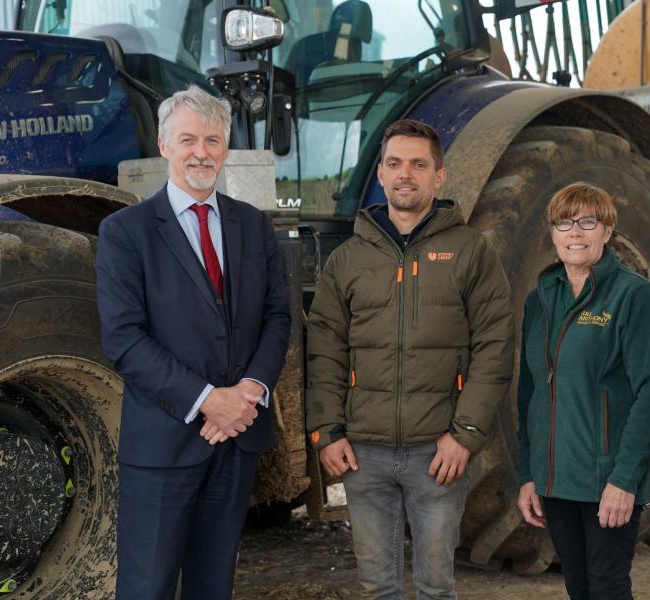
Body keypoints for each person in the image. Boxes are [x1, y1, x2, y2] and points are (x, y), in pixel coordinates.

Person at [96, 85, 291, 600]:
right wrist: (210, 401)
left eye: (211, 139)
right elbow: (124, 339)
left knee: (214, 586)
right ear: (164, 146)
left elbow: (277, 315)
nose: (201, 152)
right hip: (165, 441)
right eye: (188, 139)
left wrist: (248, 392)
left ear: (225, 148)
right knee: (147, 587)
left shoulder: (254, 226)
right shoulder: (125, 233)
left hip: (235, 440)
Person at [306, 119, 514, 599]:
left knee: (436, 587)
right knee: (377, 588)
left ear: (439, 177)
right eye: (395, 163)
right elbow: (325, 350)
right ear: (380, 174)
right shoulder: (348, 260)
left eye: (419, 165)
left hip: (437, 453)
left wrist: (465, 436)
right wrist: (327, 432)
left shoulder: (471, 251)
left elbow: (495, 347)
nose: (406, 174)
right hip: (364, 453)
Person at [515, 182, 650, 600]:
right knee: (578, 588)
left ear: (607, 230)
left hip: (608, 479)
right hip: (555, 480)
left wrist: (625, 480)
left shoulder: (632, 295)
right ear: (552, 232)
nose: (575, 233)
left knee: (608, 588)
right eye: (564, 222)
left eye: (588, 222)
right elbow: (530, 392)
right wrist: (529, 474)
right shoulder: (540, 300)